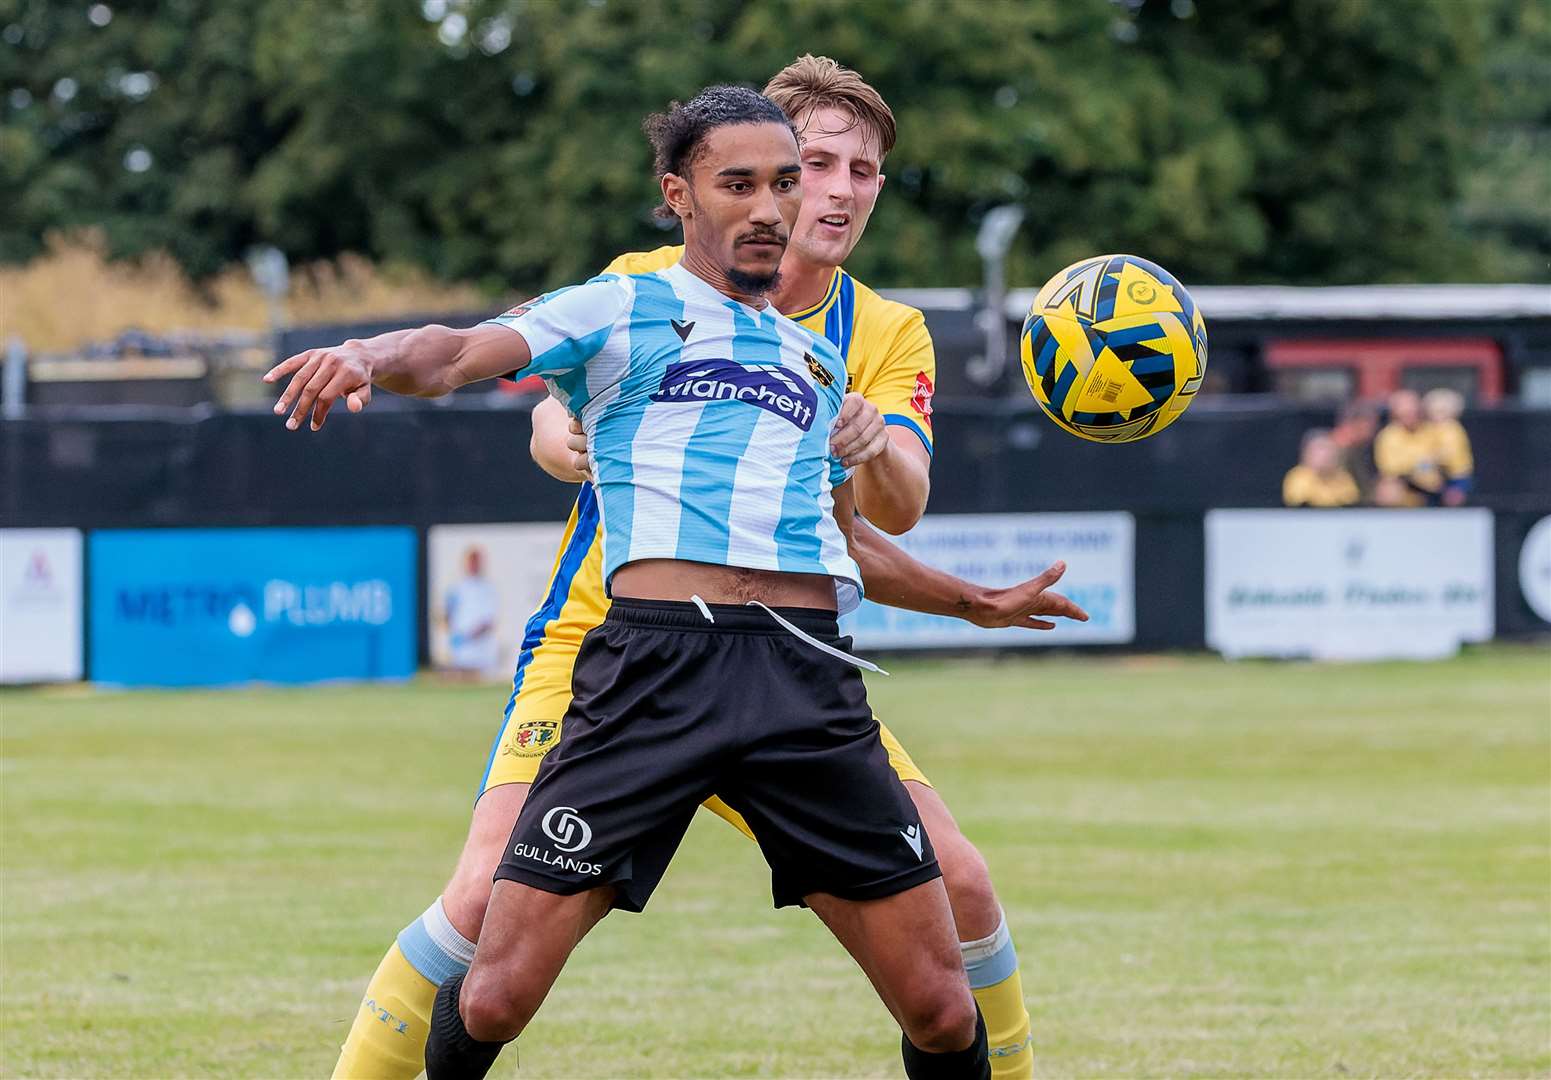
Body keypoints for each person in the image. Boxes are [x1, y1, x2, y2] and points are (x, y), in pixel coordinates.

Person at [266, 84, 1071, 1079]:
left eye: (823, 175)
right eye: (778, 174)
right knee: (490, 964)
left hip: (799, 677)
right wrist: (369, 354)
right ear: (681, 194)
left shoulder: (830, 358)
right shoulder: (634, 295)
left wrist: (971, 597)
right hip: (633, 654)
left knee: (949, 988)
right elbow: (475, 358)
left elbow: (862, 529)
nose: (798, 199)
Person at [1373, 389, 1444, 507]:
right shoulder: (1388, 436)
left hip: (1435, 491)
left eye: (1413, 412)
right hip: (1404, 491)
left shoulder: (1433, 431)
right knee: (1389, 489)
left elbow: (1446, 458)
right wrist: (1423, 463)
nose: (1410, 417)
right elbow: (1391, 470)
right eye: (1405, 413)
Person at [441, 546, 499, 677]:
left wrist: (470, 636)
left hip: (481, 649)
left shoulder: (488, 589)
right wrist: (453, 635)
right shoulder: (456, 587)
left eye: (476, 561)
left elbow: (489, 620)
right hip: (460, 650)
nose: (473, 565)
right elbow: (447, 613)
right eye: (471, 561)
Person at [1282, 429, 1360, 507]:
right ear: (1307, 453)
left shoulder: (1343, 477)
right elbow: (1299, 506)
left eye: (1329, 450)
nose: (1325, 456)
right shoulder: (1297, 477)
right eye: (1320, 450)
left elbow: (1352, 505)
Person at [1422, 388, 1473, 506]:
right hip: (1435, 476)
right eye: (1433, 411)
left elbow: (1448, 455)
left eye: (1441, 411)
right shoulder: (1429, 429)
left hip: (1457, 477)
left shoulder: (1452, 429)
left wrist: (1431, 460)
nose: (1437, 415)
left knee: (1452, 498)